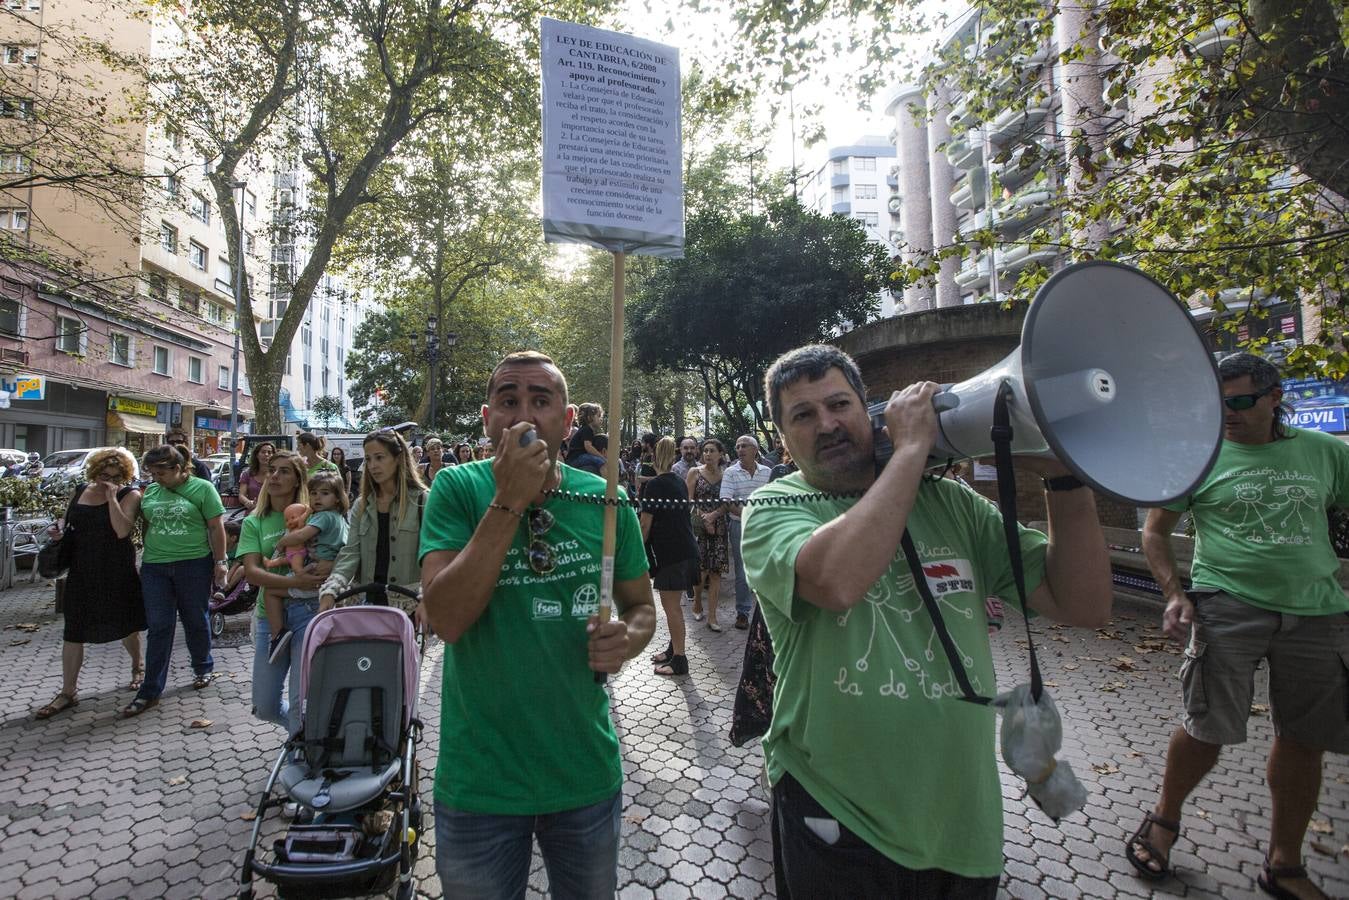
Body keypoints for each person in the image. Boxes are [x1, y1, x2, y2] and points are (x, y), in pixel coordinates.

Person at [740, 344, 1111, 897]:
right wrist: (912, 451)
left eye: (840, 405)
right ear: (783, 441)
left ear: (869, 410)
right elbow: (836, 580)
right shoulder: (773, 507)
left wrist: (1064, 480)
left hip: (961, 822)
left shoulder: (954, 504)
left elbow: (1083, 603)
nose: (828, 424)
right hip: (836, 812)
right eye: (804, 415)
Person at [420, 350, 655, 898]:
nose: (523, 414)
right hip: (480, 784)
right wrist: (509, 500)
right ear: (487, 418)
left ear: (568, 421)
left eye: (540, 400)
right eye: (508, 400)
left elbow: (641, 608)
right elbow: (447, 619)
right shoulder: (456, 489)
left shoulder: (607, 499)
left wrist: (630, 640)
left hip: (585, 775)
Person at [1127, 352, 1347, 900]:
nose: (1228, 413)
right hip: (1227, 607)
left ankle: (1284, 863)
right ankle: (1164, 821)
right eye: (1219, 403)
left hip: (1318, 612)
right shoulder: (1197, 458)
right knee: (1207, 727)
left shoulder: (1326, 453)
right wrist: (1176, 596)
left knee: (1304, 739)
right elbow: (1154, 533)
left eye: (1242, 402)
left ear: (1275, 398)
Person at [33, 448, 146, 719]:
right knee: (74, 629)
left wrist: (110, 498)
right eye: (103, 475)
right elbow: (68, 522)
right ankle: (68, 691)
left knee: (126, 624)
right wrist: (58, 533)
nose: (107, 480)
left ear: (124, 476)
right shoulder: (80, 490)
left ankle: (137, 665)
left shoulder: (129, 495)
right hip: (82, 569)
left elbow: (122, 530)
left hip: (116, 569)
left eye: (115, 476)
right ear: (94, 472)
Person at [123, 444, 229, 717]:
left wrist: (221, 562)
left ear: (180, 469)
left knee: (195, 617)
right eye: (152, 472)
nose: (156, 477)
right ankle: (151, 689)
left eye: (161, 472)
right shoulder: (152, 491)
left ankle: (202, 666)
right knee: (159, 626)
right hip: (155, 566)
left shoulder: (202, 489)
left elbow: (216, 527)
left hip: (193, 564)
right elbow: (145, 523)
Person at [240, 450, 327, 733]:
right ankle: (305, 734)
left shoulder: (315, 518)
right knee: (264, 705)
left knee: (302, 698)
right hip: (270, 617)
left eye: (284, 471)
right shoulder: (254, 522)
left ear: (297, 480)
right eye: (271, 470)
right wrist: (294, 583)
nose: (274, 476)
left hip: (308, 613)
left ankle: (300, 755)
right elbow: (252, 572)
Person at [319, 429, 428, 620]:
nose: (373, 466)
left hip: (408, 608)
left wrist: (428, 598)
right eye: (368, 459)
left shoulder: (422, 500)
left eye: (379, 457)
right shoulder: (363, 504)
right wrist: (332, 589)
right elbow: (351, 551)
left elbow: (431, 558)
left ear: (398, 458)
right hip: (366, 605)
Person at [264, 471, 349, 663]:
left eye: (325, 493)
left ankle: (278, 635)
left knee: (270, 591)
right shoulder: (339, 518)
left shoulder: (324, 517)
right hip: (329, 574)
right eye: (313, 493)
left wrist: (283, 542)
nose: (317, 497)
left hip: (314, 572)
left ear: (337, 498)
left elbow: (302, 535)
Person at [641, 437, 700, 676]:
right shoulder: (678, 481)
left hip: (672, 554)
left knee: (672, 607)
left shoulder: (654, 485)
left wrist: (634, 550)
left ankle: (680, 660)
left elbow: (645, 524)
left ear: (654, 457)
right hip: (685, 551)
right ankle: (672, 649)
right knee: (672, 606)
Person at [720, 434, 772, 630]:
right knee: (741, 571)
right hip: (739, 525)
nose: (740, 449)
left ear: (755, 450)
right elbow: (726, 500)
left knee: (765, 568)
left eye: (744, 446)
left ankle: (766, 612)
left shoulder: (767, 472)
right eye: (738, 446)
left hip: (764, 526)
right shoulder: (730, 473)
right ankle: (743, 612)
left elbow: (773, 498)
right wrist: (749, 515)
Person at [686, 438, 730, 629]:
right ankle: (697, 603)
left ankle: (713, 617)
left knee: (716, 571)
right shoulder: (694, 472)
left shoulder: (726, 474)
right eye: (705, 451)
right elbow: (688, 500)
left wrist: (714, 517)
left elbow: (728, 501)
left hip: (719, 525)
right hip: (698, 524)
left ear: (720, 454)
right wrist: (705, 518)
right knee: (701, 569)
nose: (708, 454)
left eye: (712, 451)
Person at [236, 442, 275, 513]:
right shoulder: (247, 474)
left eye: (269, 452)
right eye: (263, 452)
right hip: (252, 514)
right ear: (257, 455)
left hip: (272, 513)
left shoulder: (276, 474)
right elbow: (241, 495)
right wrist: (248, 502)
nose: (266, 454)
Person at [565, 402, 606, 469]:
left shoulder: (585, 429)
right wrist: (601, 456)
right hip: (576, 458)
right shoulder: (587, 429)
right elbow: (588, 447)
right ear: (589, 417)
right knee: (602, 462)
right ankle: (608, 479)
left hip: (575, 458)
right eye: (598, 416)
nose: (601, 419)